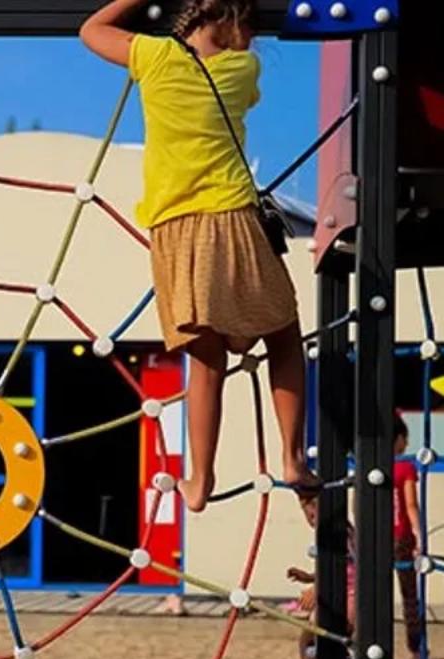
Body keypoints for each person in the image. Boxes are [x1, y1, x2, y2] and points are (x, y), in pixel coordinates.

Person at [80, 0, 315, 511]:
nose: (253, 40)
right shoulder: (241, 69)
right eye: (250, 27)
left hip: (174, 227)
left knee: (205, 358)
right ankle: (293, 457)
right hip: (231, 216)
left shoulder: (154, 57)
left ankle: (200, 480)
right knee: (283, 335)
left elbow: (92, 29)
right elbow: (246, 92)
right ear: (229, 20)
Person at [287, 497, 355, 659]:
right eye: (305, 509)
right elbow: (343, 565)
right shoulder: (341, 530)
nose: (310, 514)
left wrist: (317, 588)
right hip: (344, 597)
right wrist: (310, 577)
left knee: (310, 642)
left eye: (313, 507)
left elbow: (345, 568)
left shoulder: (336, 532)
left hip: (349, 601)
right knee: (314, 642)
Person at [393, 413, 424, 659]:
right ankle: (415, 647)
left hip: (377, 538)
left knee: (371, 591)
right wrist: (420, 536)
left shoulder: (372, 465)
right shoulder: (405, 467)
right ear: (398, 439)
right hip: (402, 537)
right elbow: (411, 505)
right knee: (410, 595)